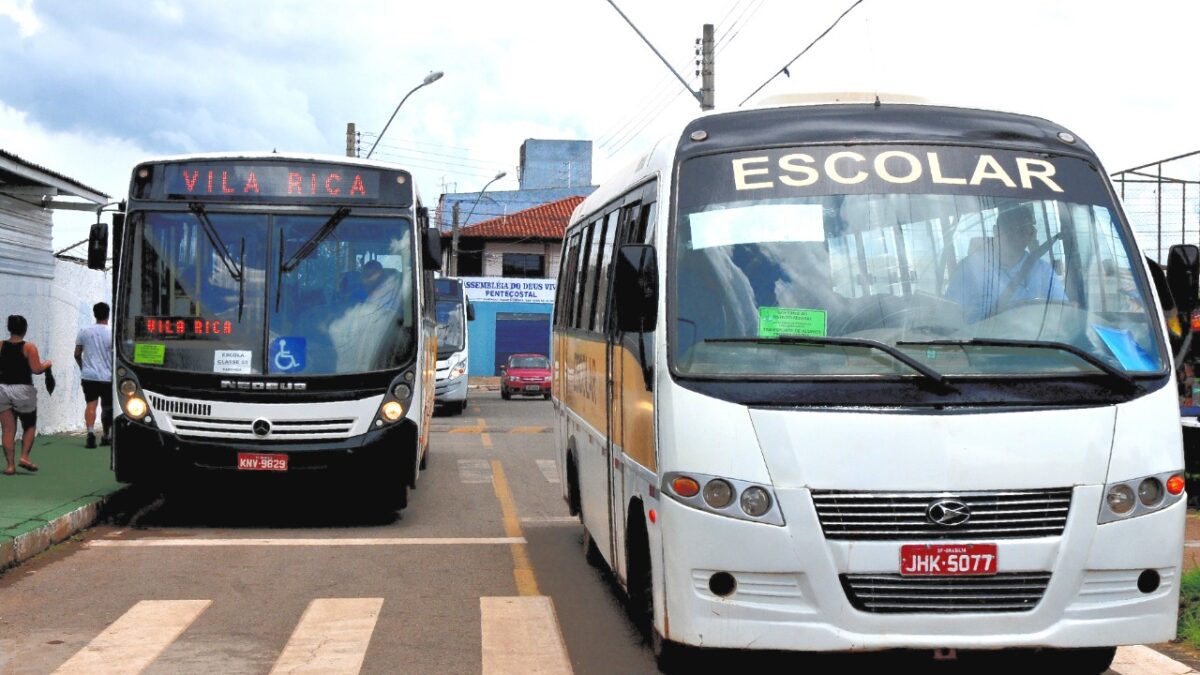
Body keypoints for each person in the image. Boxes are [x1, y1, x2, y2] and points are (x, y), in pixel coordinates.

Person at [944, 205, 1067, 322]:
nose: (1018, 236)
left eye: (1025, 231)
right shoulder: (969, 269)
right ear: (995, 231)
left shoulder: (1043, 270)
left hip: (1036, 341)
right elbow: (950, 316)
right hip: (984, 341)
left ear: (1031, 234)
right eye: (1012, 230)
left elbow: (1061, 313)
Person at [1, 315, 52, 475]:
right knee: (29, 426)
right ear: (25, 329)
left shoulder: (0, 345)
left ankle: (10, 466)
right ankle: (24, 457)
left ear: (9, 328)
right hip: (23, 390)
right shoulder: (29, 347)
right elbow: (36, 369)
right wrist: (47, 365)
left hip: (2, 389)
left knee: (8, 429)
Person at [75, 301, 113, 448]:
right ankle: (105, 435)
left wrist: (82, 367)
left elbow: (77, 353)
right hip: (107, 376)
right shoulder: (112, 332)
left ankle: (90, 434)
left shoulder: (84, 330)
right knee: (107, 407)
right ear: (108, 314)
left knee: (91, 404)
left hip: (88, 375)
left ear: (94, 314)